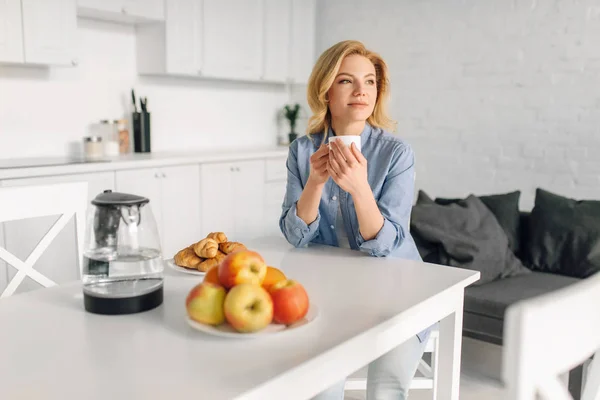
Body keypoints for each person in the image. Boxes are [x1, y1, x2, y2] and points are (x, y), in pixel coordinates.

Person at [278, 40, 432, 400]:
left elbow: (388, 242)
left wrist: (361, 189)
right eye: (347, 81)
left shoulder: (397, 154)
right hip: (330, 292)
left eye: (370, 82)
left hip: (398, 291)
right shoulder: (303, 151)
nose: (362, 91)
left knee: (386, 391)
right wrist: (315, 182)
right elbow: (295, 236)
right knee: (321, 386)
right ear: (326, 90)